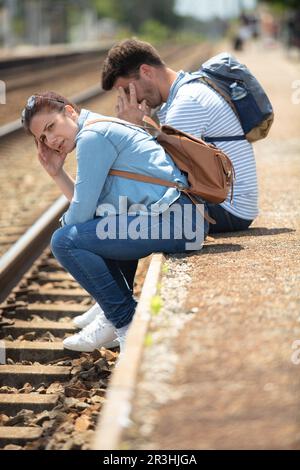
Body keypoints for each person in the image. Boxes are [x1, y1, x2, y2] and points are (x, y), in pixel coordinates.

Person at [74, 37, 260, 338]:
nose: (126, 99)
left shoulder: (187, 103)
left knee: (125, 202)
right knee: (126, 199)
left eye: (126, 89)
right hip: (226, 198)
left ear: (146, 72)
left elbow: (168, 179)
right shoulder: (184, 92)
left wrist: (133, 127)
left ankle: (113, 308)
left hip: (229, 208)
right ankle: (110, 303)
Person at [21, 92, 207, 354]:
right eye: (42, 138)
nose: (50, 140)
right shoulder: (97, 127)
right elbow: (91, 208)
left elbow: (82, 213)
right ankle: (111, 313)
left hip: (178, 220)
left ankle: (123, 321)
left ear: (70, 112)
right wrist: (56, 173)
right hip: (183, 219)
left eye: (51, 127)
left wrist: (69, 226)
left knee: (64, 241)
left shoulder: (92, 137)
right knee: (102, 222)